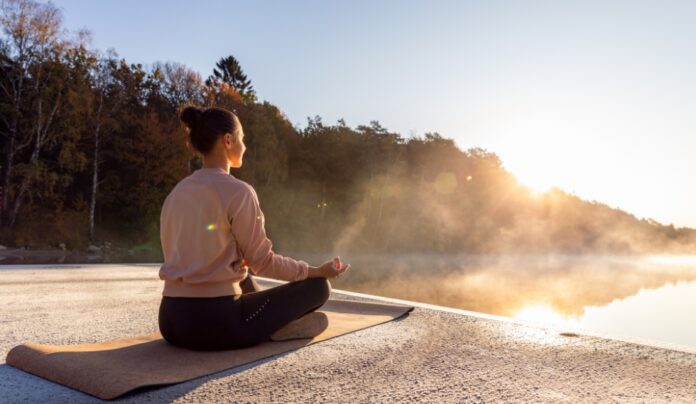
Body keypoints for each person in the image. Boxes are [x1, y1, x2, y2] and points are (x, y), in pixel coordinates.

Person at [158, 105, 350, 351]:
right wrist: (317, 271)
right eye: (242, 138)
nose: (244, 146)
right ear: (228, 140)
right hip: (215, 324)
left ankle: (269, 325)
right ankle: (275, 328)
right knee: (319, 288)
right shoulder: (239, 192)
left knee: (245, 273)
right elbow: (264, 263)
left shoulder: (176, 193)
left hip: (171, 321)